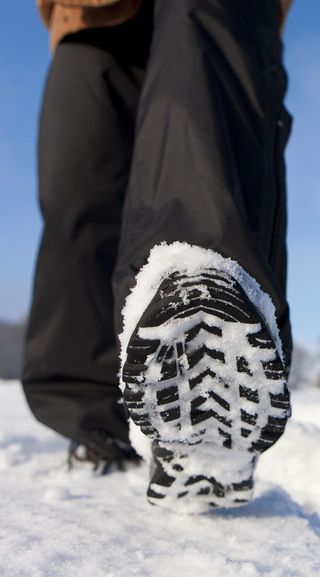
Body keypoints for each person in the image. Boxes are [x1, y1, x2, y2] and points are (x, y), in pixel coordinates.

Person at [23, 0, 294, 512]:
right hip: (86, 15)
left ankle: (202, 320)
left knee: (202, 131)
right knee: (80, 191)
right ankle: (95, 423)